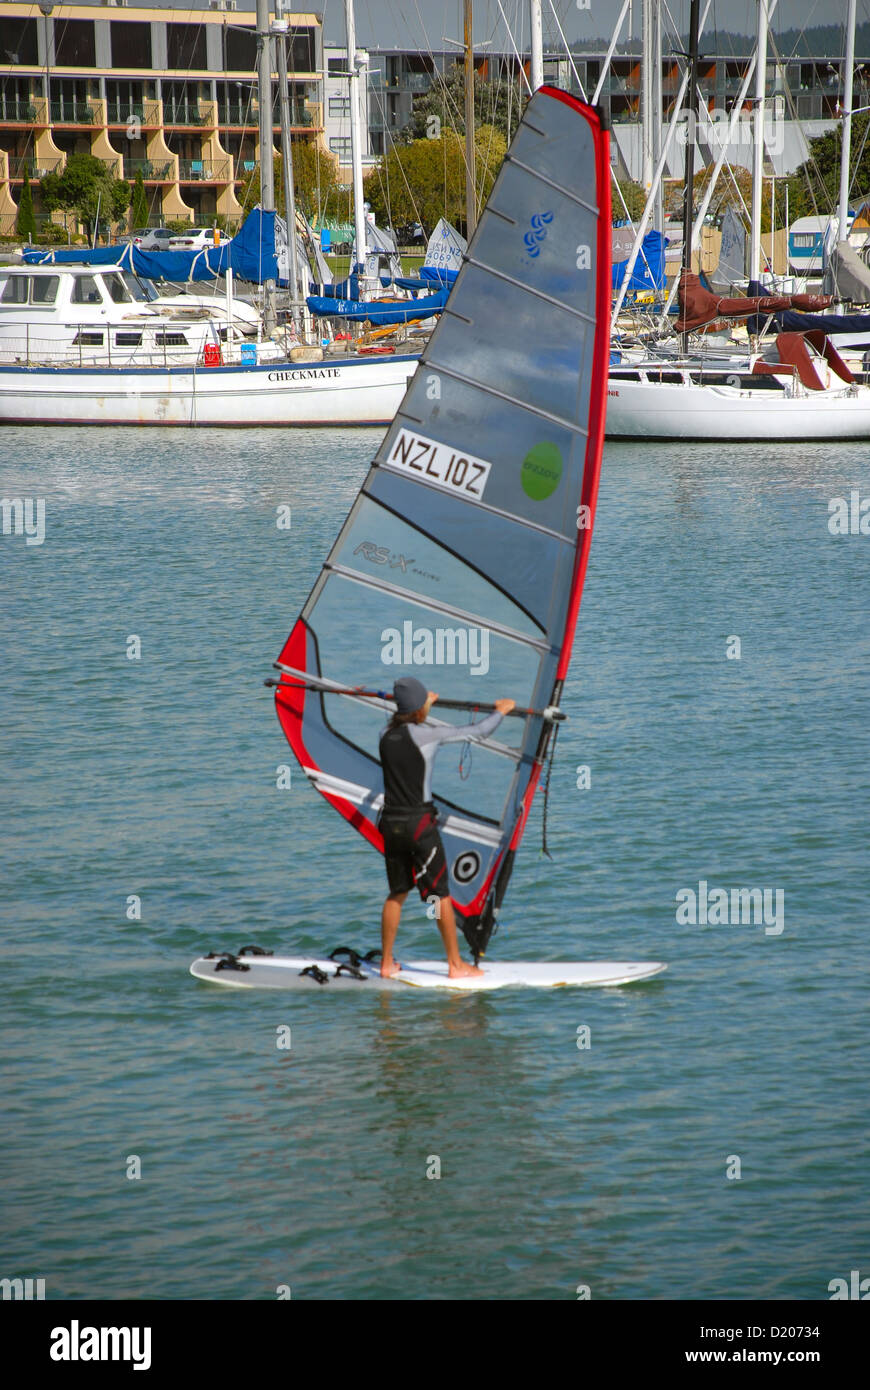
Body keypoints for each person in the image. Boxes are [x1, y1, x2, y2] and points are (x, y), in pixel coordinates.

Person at [378, 676, 516, 979]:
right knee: (439, 895)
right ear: (418, 711)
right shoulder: (429, 735)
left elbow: (408, 720)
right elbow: (477, 732)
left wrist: (423, 703)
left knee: (397, 893)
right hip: (419, 826)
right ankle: (455, 965)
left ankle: (386, 963)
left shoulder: (384, 734)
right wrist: (501, 711)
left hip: (390, 824)